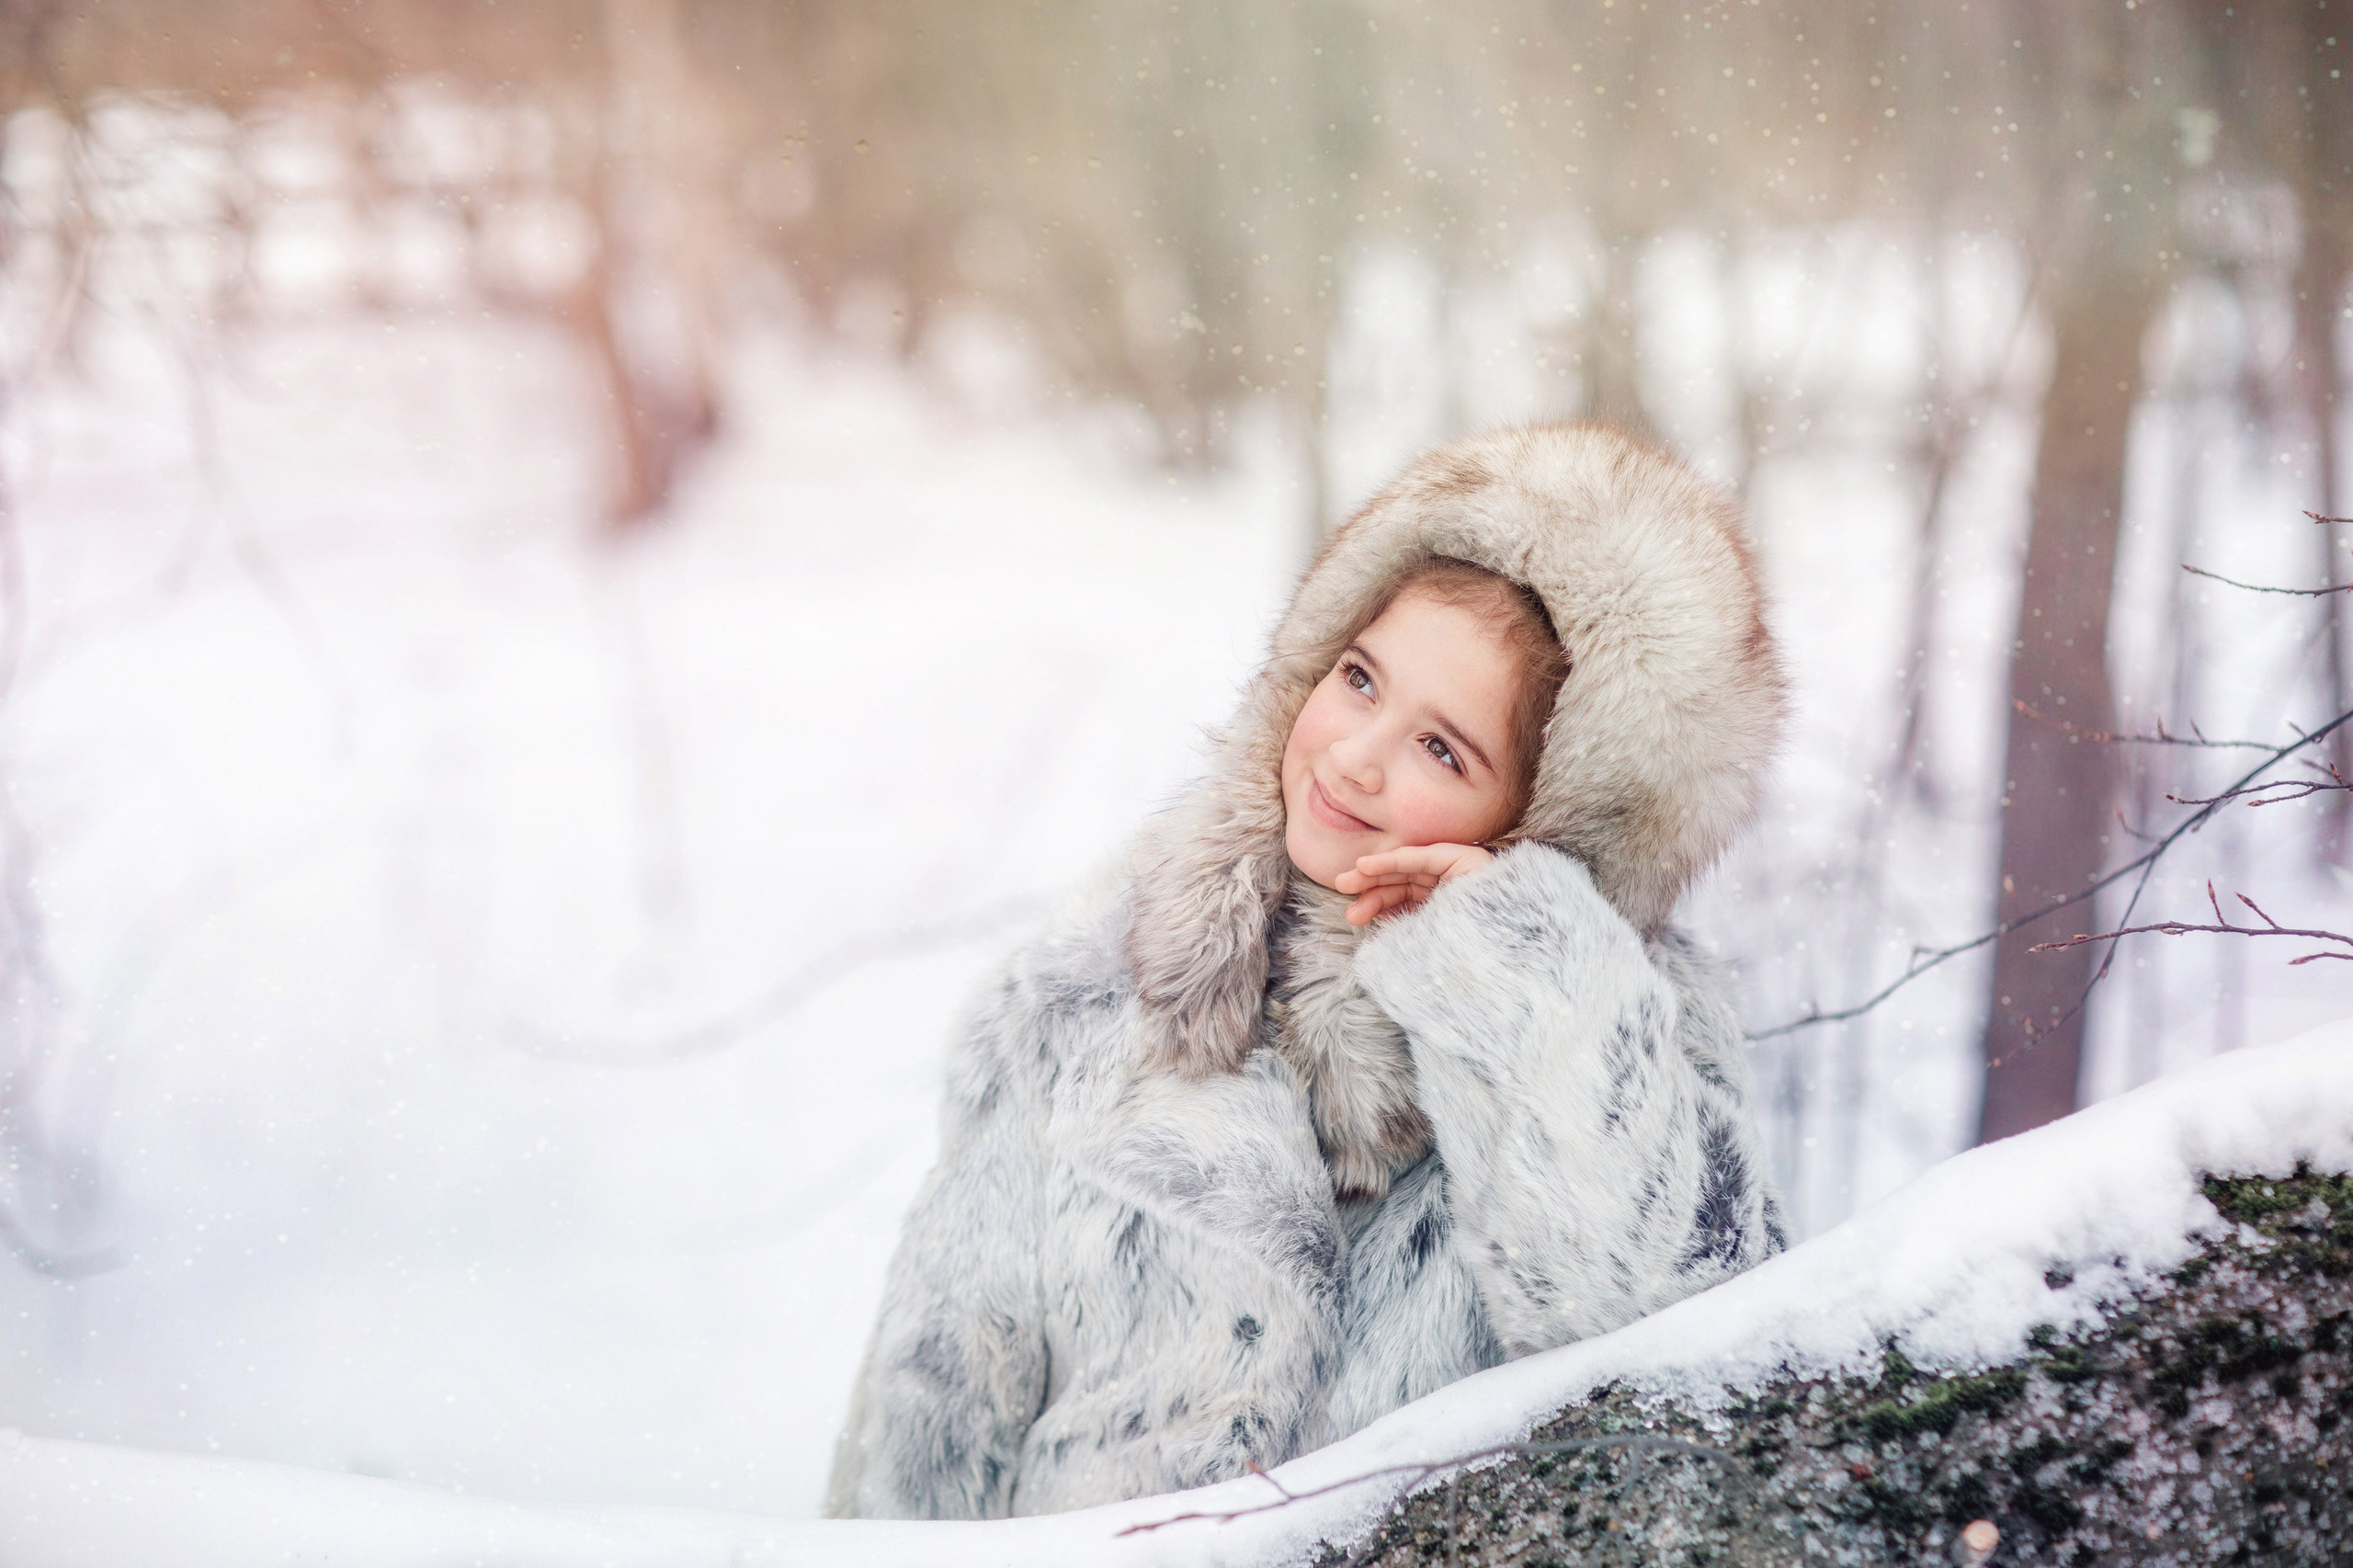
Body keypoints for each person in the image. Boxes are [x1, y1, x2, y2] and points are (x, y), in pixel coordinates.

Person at [824, 424, 1788, 1519]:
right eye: (1360, 677)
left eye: (1443, 749)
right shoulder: (1090, 991)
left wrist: (1515, 968)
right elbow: (933, 1408)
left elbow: (1690, 1379)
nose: (1353, 754)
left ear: (1545, 820)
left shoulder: (1621, 1035)